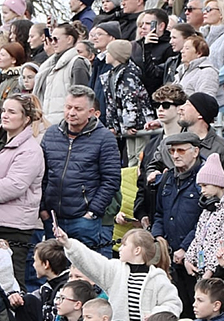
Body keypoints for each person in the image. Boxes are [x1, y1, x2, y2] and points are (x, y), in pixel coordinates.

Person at [41, 85, 121, 249]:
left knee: (84, 265)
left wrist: (92, 212)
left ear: (91, 112)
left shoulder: (105, 138)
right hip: (53, 219)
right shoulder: (51, 134)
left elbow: (111, 179)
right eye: (68, 107)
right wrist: (43, 209)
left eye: (78, 109)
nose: (71, 113)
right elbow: (41, 174)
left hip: (85, 221)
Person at [151, 132, 204, 316]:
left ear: (195, 151)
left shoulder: (204, 179)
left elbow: (205, 221)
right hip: (170, 258)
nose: (175, 155)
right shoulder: (167, 179)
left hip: (195, 259)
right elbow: (159, 213)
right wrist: (158, 238)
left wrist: (185, 247)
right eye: (172, 151)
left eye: (181, 150)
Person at [0, 93, 44, 289]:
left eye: (11, 112)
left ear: (26, 119)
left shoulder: (30, 150)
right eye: (4, 110)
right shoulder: (6, 143)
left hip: (13, 227)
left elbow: (15, 185)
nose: (5, 115)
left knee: (12, 286)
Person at [184, 153, 224, 281]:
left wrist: (210, 271)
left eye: (205, 185)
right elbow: (198, 236)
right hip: (203, 272)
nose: (202, 190)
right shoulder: (208, 207)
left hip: (220, 275)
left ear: (217, 184)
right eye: (200, 186)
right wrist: (188, 259)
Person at [34, 24, 92, 125]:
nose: (52, 43)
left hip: (67, 124)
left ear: (69, 39)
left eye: (55, 39)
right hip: (48, 123)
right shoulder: (48, 66)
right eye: (51, 39)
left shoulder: (77, 63)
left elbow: (81, 99)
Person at [100, 39, 152, 134]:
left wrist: (130, 124)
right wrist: (112, 125)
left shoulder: (129, 75)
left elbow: (131, 99)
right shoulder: (110, 75)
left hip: (139, 125)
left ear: (116, 55)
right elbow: (111, 103)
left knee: (139, 144)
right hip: (124, 126)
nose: (106, 54)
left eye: (108, 52)